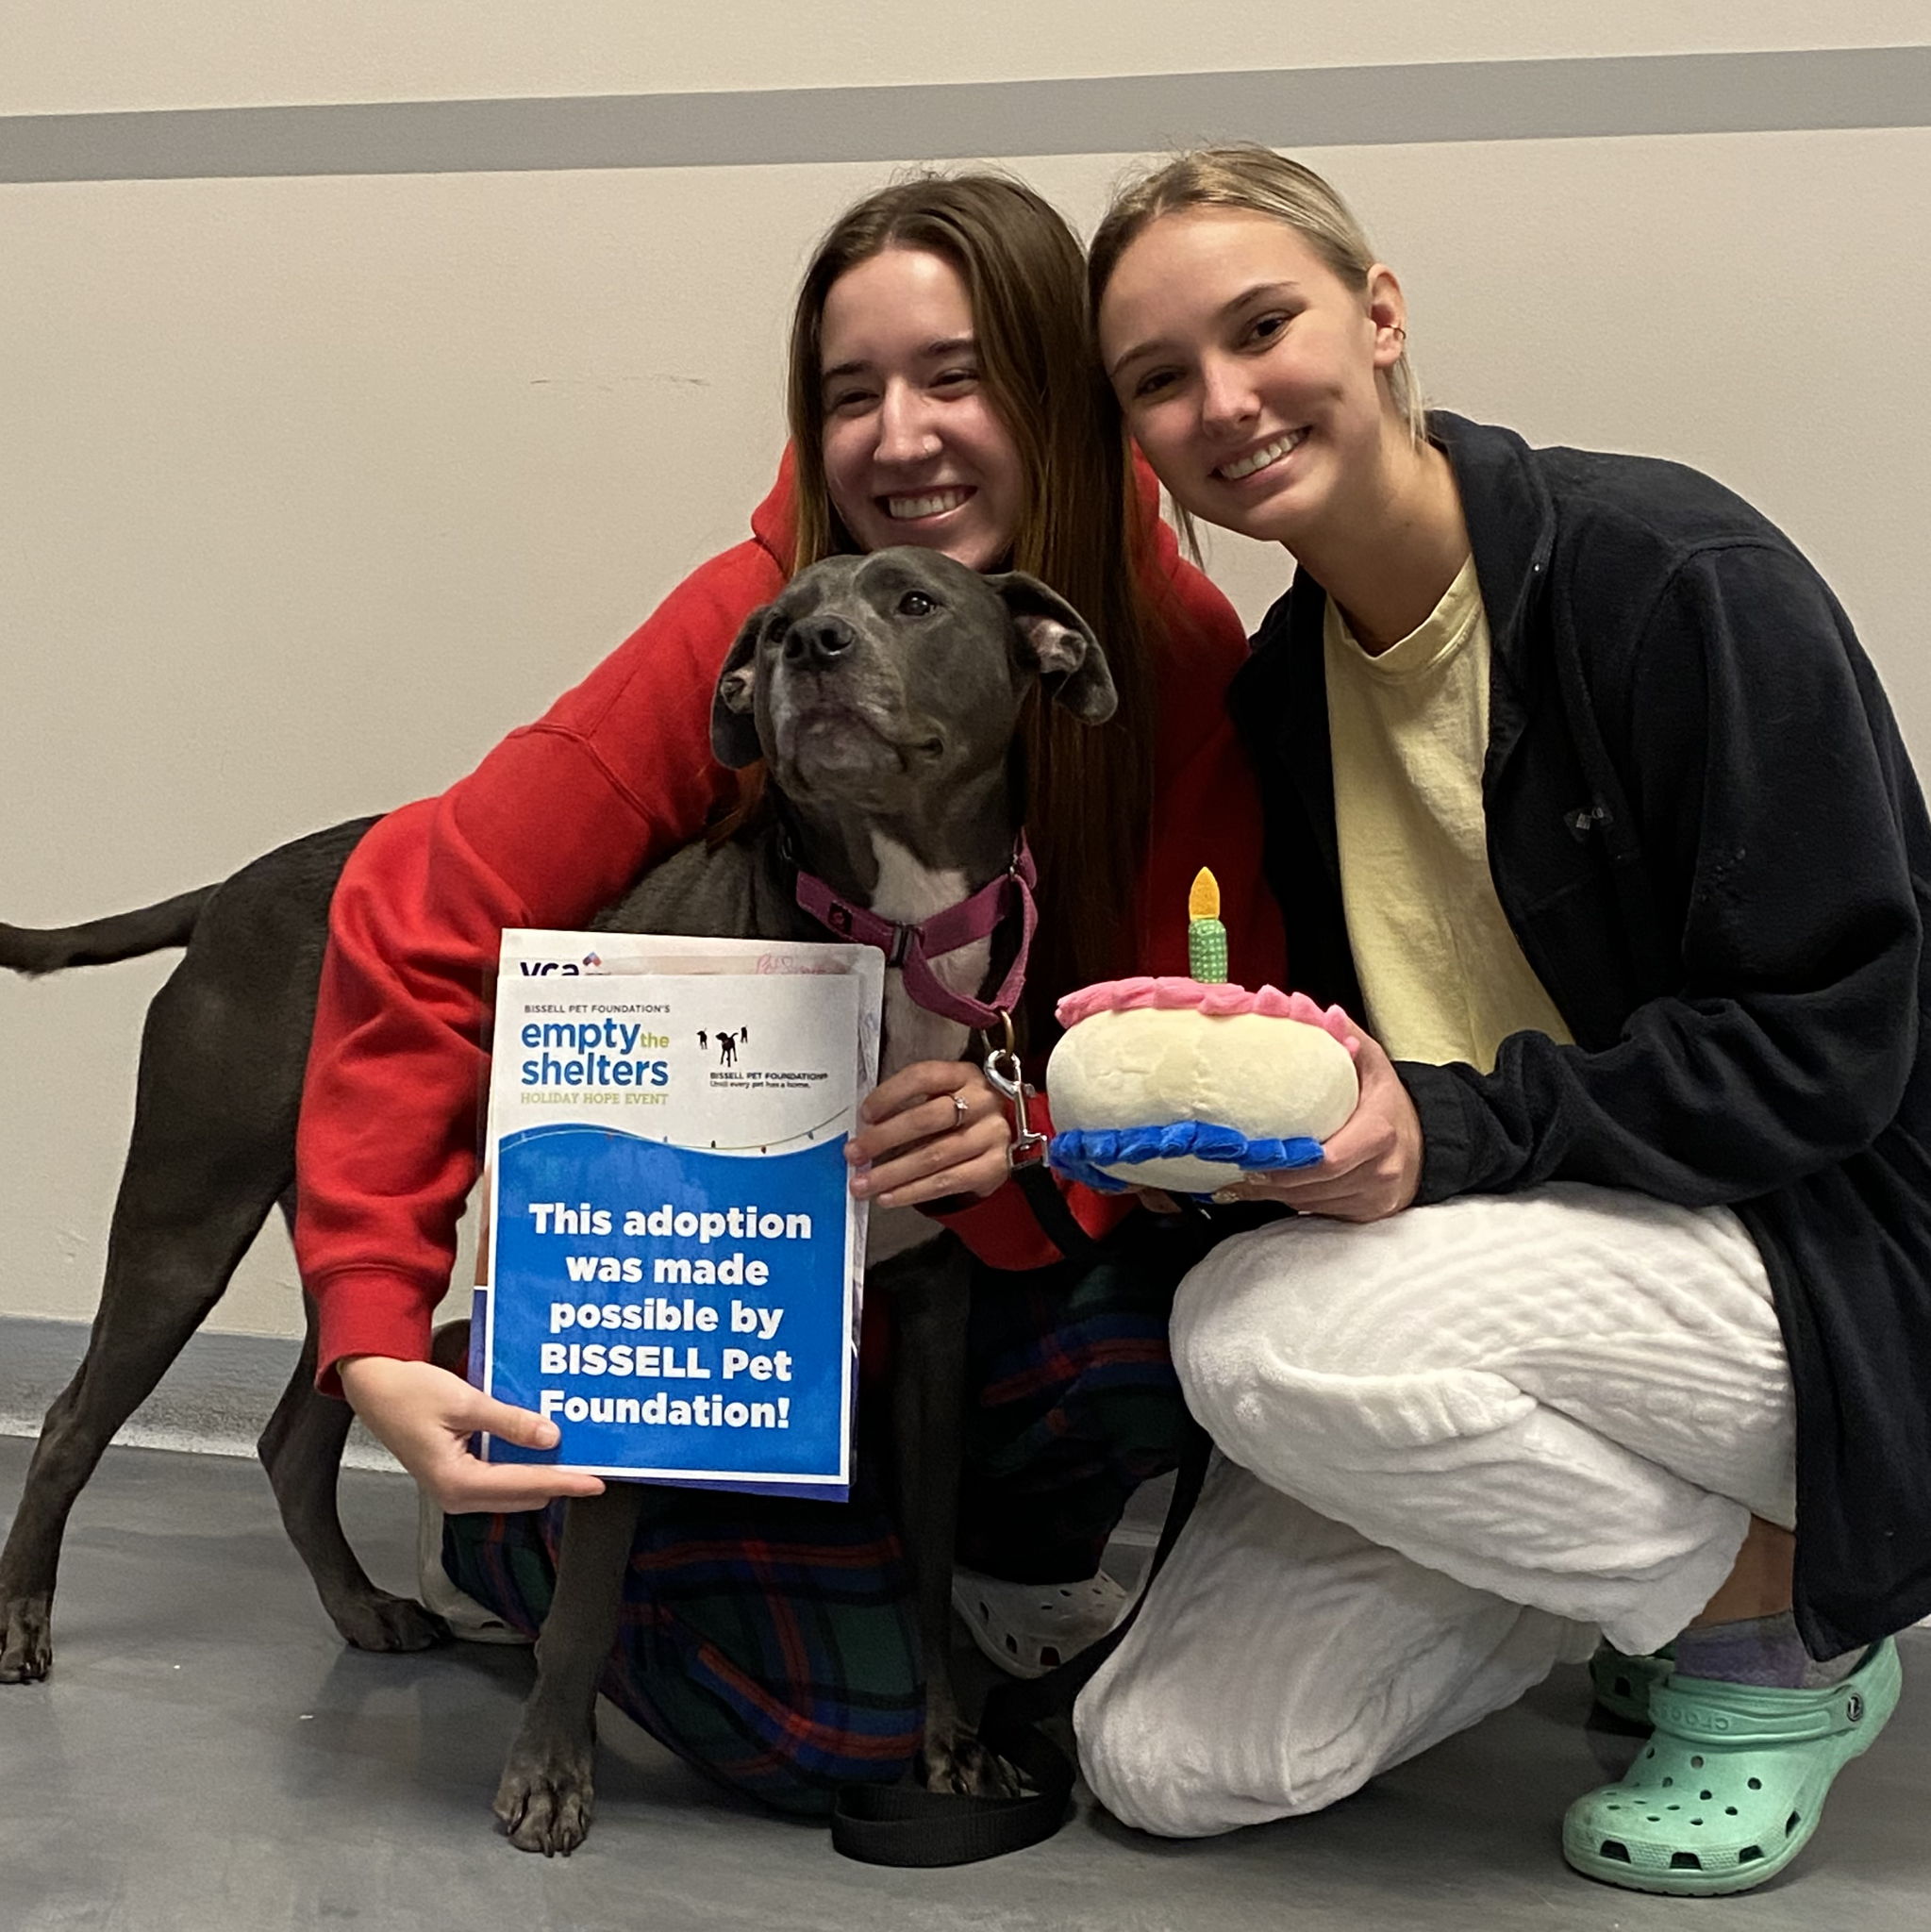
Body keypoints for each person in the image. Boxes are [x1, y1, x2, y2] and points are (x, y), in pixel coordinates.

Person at [291, 171, 1286, 1813]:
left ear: (1053, 382)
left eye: (956, 377)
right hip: (716, 1308)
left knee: (1166, 1338)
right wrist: (377, 1327)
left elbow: (1224, 1020)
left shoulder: (1156, 646)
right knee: (842, 1740)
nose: (901, 438)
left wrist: (1034, 1126)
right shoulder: (763, 614)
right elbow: (423, 909)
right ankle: (535, 1551)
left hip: (975, 1259)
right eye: (851, 393)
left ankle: (936, 1559)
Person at [1074, 143, 1930, 1896]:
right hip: (1529, 1286)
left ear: (1380, 318)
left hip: (1827, 1256)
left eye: (1262, 327)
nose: (1224, 402)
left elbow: (1835, 1045)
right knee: (1162, 1761)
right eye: (1162, 380)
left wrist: (1442, 1137)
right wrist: (1228, 1126)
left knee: (1255, 1344)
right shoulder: (1280, 699)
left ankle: (1773, 1630)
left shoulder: (1674, 576)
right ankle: (1632, 1561)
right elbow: (1368, 1065)